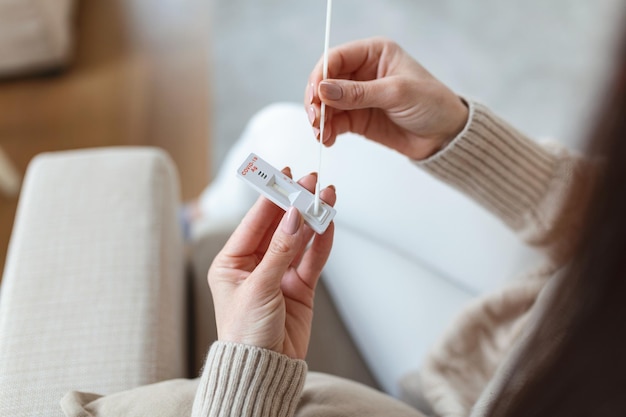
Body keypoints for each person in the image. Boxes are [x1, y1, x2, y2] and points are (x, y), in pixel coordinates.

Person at [191, 32, 626, 417]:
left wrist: (246, 379)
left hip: (479, 386)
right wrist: (455, 130)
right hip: (543, 302)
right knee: (279, 130)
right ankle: (204, 215)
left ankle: (200, 217)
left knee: (274, 133)